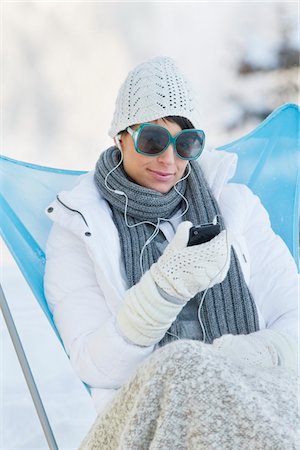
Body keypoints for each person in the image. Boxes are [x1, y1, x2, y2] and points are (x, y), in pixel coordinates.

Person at [44, 56, 298, 449]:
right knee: (184, 363)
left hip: (252, 397)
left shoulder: (236, 208)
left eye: (186, 144)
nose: (169, 160)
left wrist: (246, 355)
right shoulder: (80, 227)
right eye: (152, 141)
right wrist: (162, 291)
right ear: (121, 136)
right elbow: (93, 363)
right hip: (144, 423)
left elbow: (294, 317)